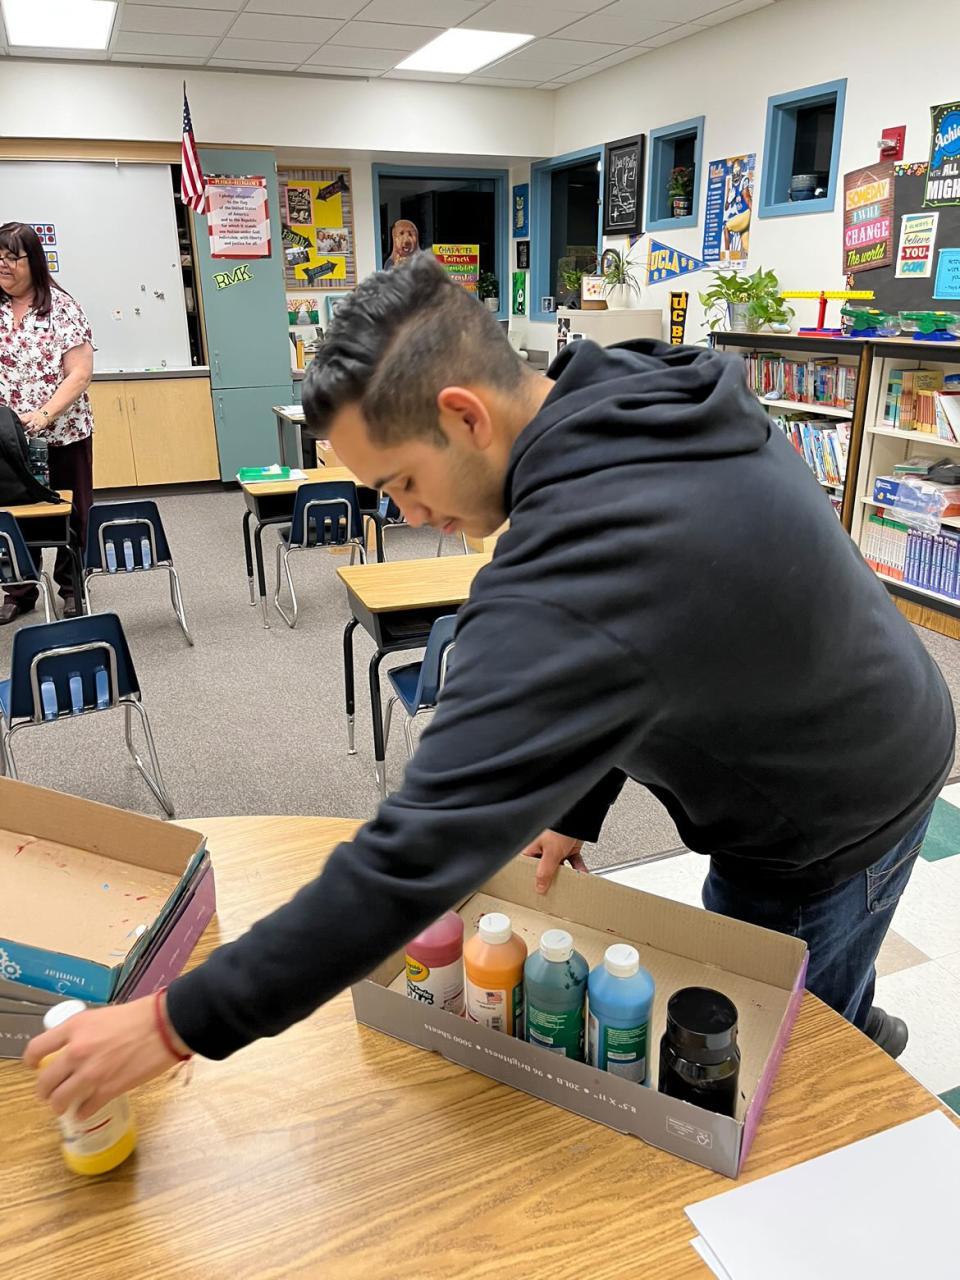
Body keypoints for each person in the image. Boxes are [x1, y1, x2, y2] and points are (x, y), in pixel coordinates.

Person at [25, 253, 953, 1122]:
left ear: (467, 416)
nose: (405, 513)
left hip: (831, 811)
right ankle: (860, 1015)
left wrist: (172, 1023)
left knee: (781, 1058)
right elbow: (641, 646)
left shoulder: (584, 558)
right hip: (877, 706)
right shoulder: (625, 388)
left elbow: (416, 853)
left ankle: (856, 1060)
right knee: (833, 968)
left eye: (401, 480)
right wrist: (576, 805)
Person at [0, 222, 94, 621]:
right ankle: (19, 590)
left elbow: (80, 373)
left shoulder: (62, 307)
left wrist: (42, 415)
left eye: (11, 257)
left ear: (34, 261)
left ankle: (73, 588)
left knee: (72, 514)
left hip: (63, 434)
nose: (2, 265)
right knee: (12, 514)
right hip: (9, 441)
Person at [722, 157, 752, 261]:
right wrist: (728, 199)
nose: (736, 170)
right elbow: (726, 207)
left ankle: (727, 259)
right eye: (734, 168)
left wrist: (754, 214)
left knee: (726, 227)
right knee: (746, 246)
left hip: (746, 213)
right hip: (741, 216)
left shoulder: (744, 179)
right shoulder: (731, 183)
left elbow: (747, 197)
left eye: (738, 168)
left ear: (741, 169)